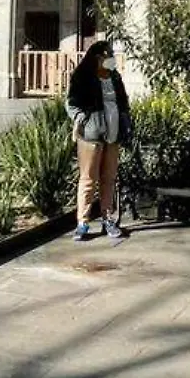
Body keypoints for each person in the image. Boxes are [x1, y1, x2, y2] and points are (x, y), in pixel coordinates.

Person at [66, 40, 133, 241]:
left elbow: (123, 102)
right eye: (106, 55)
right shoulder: (82, 76)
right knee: (88, 179)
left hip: (113, 134)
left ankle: (108, 219)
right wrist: (81, 118)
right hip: (91, 135)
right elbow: (71, 102)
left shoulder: (114, 77)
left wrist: (126, 121)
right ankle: (82, 222)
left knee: (109, 178)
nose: (110, 58)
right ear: (97, 57)